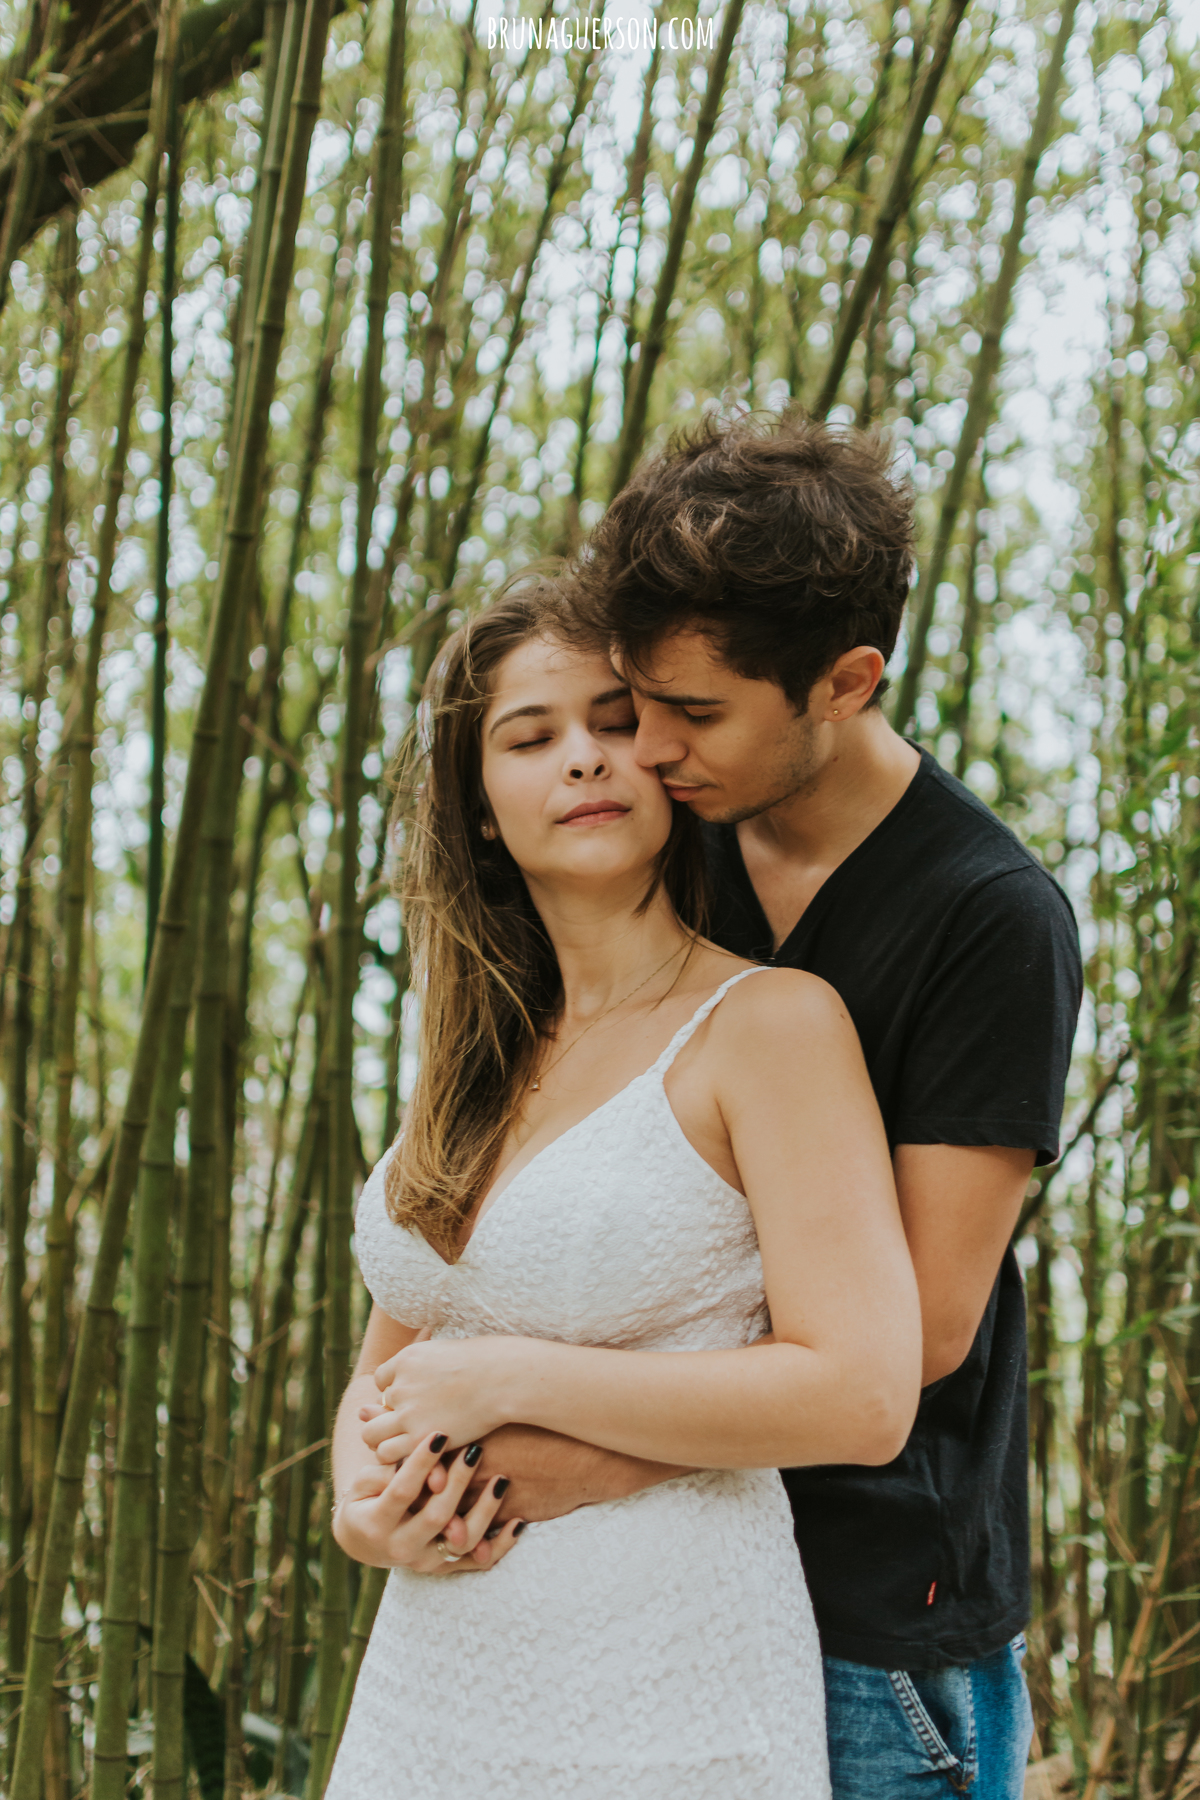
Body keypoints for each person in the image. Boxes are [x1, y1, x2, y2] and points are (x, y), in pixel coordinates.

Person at [456, 413, 1083, 1799]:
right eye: (635, 703)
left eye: (693, 713)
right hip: (654, 1592)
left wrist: (583, 1448)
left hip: (872, 1617)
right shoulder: (678, 849)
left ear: (845, 680)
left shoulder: (989, 919)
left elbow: (910, 1330)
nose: (648, 750)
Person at [325, 578, 922, 1799]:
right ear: (480, 806)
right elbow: (393, 1362)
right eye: (531, 738)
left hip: (667, 1680)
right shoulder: (472, 1057)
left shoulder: (768, 1026)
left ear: (671, 767)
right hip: (432, 1679)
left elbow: (860, 1394)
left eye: (615, 722)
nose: (585, 761)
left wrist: (513, 1379)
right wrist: (356, 1509)